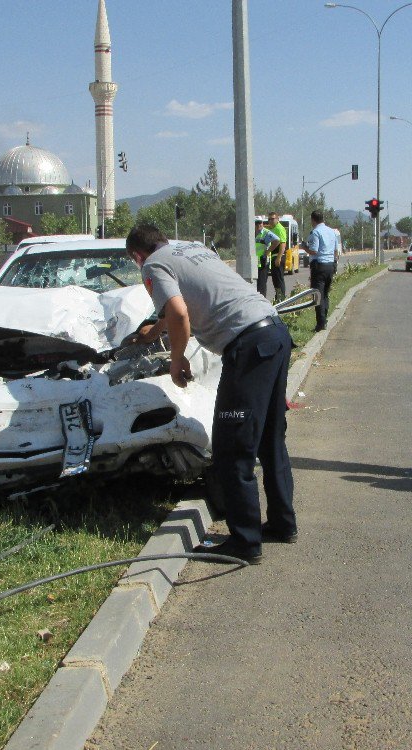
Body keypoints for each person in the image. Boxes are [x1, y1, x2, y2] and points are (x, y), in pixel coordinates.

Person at [126, 224, 296, 564]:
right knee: (269, 438)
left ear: (137, 255)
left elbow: (178, 312)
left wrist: (176, 362)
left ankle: (246, 543)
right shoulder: (189, 248)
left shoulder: (152, 266)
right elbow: (189, 300)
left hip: (248, 346)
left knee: (232, 445)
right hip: (274, 333)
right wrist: (155, 330)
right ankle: (282, 524)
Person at [304, 210, 338, 332]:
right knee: (325, 295)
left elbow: (314, 251)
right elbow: (336, 250)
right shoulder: (332, 231)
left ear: (313, 220)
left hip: (319, 266)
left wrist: (304, 247)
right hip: (330, 265)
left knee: (318, 295)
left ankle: (321, 323)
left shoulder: (316, 232)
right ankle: (324, 319)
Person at [254, 218, 281, 299]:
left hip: (263, 261)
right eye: (256, 223)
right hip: (254, 262)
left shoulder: (266, 233)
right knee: (254, 286)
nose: (258, 225)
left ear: (262, 223)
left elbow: (277, 240)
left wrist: (268, 251)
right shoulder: (252, 232)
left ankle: (262, 303)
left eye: (260, 223)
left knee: (261, 286)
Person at [266, 211, 288, 302]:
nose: (271, 221)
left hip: (279, 256)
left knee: (279, 279)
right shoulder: (272, 229)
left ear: (277, 219)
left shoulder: (279, 229)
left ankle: (281, 298)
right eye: (269, 219)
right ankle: (278, 297)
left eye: (273, 219)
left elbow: (283, 244)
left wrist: (279, 257)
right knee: (275, 279)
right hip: (274, 256)